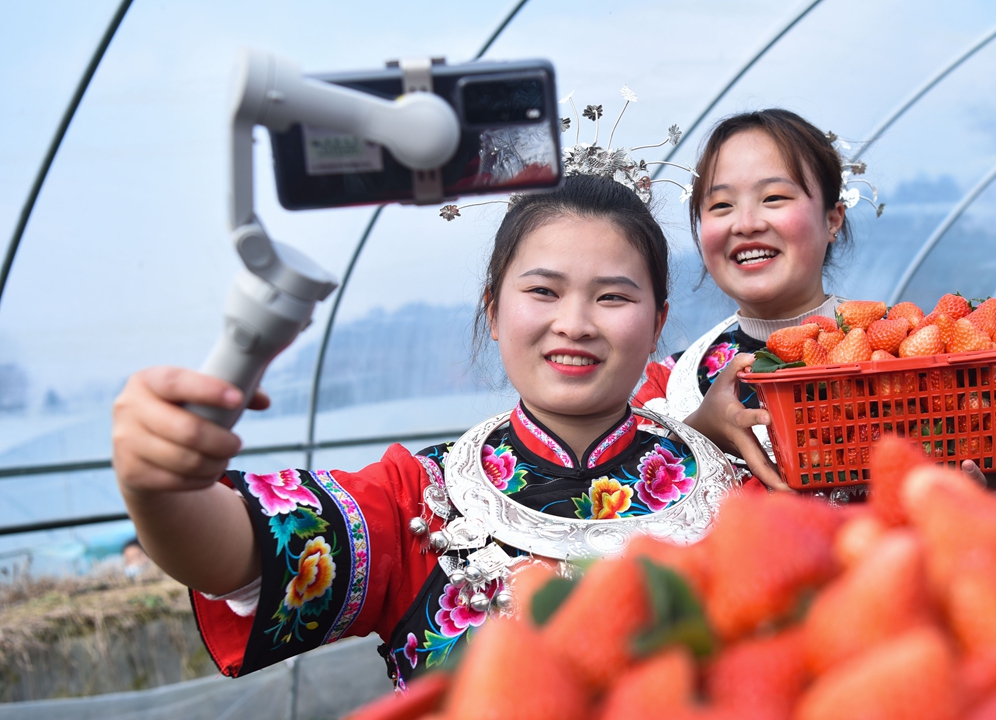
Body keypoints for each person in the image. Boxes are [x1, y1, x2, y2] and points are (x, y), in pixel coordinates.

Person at [111, 175, 732, 689]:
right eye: (543, 290)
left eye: (612, 298)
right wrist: (161, 490)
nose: (574, 323)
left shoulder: (733, 487)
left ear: (658, 324)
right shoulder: (421, 501)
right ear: (493, 311)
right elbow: (245, 555)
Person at [634, 109, 996, 508]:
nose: (746, 223)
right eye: (721, 205)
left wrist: (986, 497)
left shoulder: (924, 352)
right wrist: (695, 434)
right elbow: (619, 530)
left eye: (774, 197)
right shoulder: (670, 387)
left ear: (833, 219)